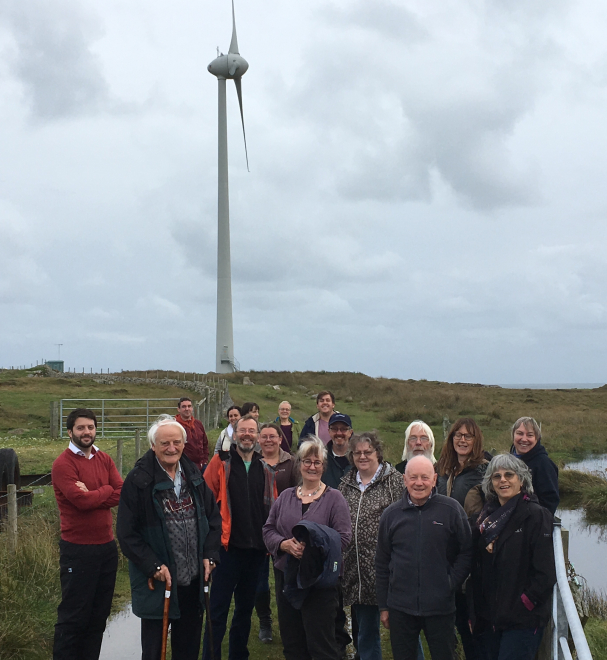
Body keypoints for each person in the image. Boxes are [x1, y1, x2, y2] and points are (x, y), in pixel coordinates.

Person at [116, 416, 222, 660]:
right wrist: (152, 566)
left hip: (193, 580)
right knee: (155, 650)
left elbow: (213, 519)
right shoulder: (138, 480)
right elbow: (127, 533)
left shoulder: (194, 475)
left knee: (188, 648)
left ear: (184, 444)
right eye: (165, 443)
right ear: (153, 446)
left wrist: (210, 554)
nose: (171, 448)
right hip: (160, 581)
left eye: (176, 442)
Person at [263, 436, 352, 660]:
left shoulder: (335, 499)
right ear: (299, 464)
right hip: (288, 579)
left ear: (323, 466)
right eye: (307, 461)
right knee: (293, 644)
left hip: (320, 583)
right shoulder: (285, 497)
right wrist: (283, 544)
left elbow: (343, 538)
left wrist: (311, 549)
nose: (312, 466)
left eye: (317, 462)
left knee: (321, 645)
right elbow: (268, 530)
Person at [376, 455, 472, 660]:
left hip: (440, 607)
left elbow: (467, 551)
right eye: (413, 477)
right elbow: (382, 563)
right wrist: (384, 606)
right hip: (400, 607)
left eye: (425, 477)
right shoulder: (391, 515)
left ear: (435, 479)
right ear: (404, 479)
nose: (419, 483)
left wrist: (450, 582)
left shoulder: (452, 510)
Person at [202, 414, 277, 660]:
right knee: (217, 610)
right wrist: (210, 546)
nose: (247, 435)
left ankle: (238, 655)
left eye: (251, 431)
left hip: (256, 552)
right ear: (234, 434)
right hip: (226, 551)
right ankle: (210, 656)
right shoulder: (220, 462)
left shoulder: (266, 469)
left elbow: (272, 508)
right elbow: (206, 504)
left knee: (245, 611)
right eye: (242, 430)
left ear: (257, 436)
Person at [51, 408, 123, 660]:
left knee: (98, 616)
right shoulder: (63, 464)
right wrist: (105, 491)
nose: (86, 432)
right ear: (70, 431)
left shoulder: (103, 458)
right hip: (78, 550)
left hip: (106, 547)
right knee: (74, 617)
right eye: (81, 428)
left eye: (90, 427)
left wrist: (95, 492)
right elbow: (80, 502)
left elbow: (121, 491)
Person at [470, 454, 556, 660]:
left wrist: (526, 603)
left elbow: (545, 572)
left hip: (522, 619)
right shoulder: (485, 518)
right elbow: (477, 564)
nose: (503, 480)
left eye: (509, 475)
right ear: (490, 483)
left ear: (522, 479)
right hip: (490, 617)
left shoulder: (536, 515)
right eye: (496, 476)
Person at [339, 432, 405, 660]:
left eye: (368, 452)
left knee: (403, 630)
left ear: (378, 453)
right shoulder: (345, 484)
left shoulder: (395, 481)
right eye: (357, 452)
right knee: (366, 633)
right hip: (357, 573)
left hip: (390, 571)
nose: (362, 456)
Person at [436, 418, 489, 660]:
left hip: (474, 556)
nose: (463, 440)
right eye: (458, 435)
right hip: (446, 555)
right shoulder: (443, 470)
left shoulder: (484, 472)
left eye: (468, 436)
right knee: (455, 619)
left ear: (476, 440)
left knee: (475, 622)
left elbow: (493, 510)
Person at [254, 422, 299, 642]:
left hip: (285, 532)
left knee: (286, 578)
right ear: (258, 440)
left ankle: (291, 621)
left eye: (273, 436)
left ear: (281, 439)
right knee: (260, 580)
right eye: (265, 436)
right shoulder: (252, 463)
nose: (269, 440)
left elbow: (300, 494)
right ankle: (265, 622)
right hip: (258, 529)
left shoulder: (291, 463)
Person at [509, 417, 559, 514]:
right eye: (519, 433)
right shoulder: (509, 460)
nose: (524, 439)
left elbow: (550, 502)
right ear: (513, 435)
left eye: (530, 435)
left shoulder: (544, 464)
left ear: (537, 438)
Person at [176, 396, 210, 471]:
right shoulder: (175, 426)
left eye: (189, 406)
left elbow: (205, 443)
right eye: (184, 407)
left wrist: (205, 460)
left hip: (202, 465)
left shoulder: (198, 424)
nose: (187, 409)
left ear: (192, 408)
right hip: (185, 468)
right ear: (179, 409)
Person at [322, 413, 354, 489]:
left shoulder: (359, 458)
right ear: (329, 431)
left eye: (343, 429)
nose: (339, 433)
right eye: (334, 429)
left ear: (350, 432)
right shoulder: (321, 457)